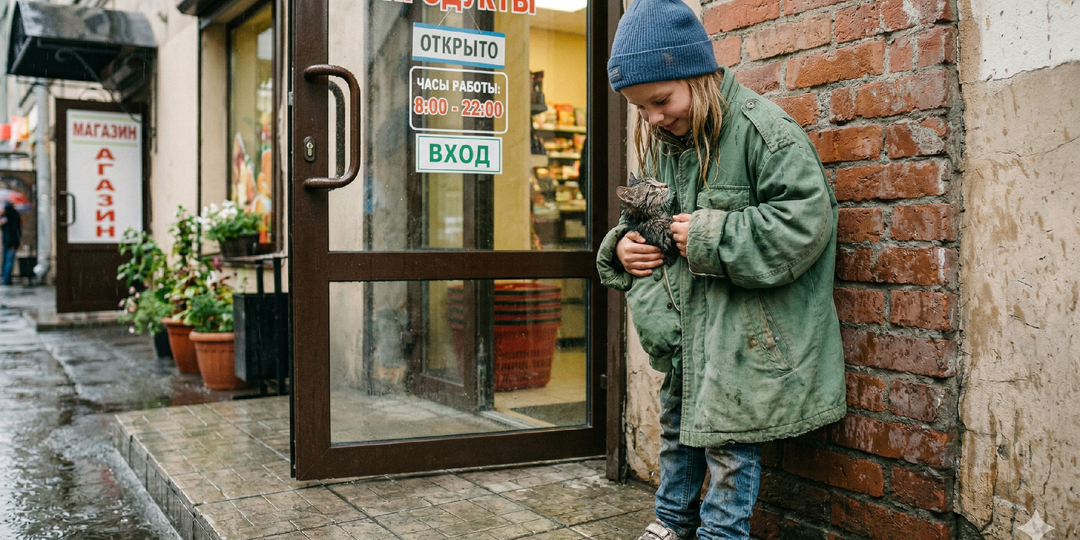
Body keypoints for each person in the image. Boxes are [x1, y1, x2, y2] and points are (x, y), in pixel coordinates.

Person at [595, 0, 846, 538]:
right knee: (677, 429)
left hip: (745, 343)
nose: (654, 119)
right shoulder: (663, 142)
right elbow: (638, 215)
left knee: (729, 448)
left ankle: (720, 534)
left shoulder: (764, 132)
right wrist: (622, 246)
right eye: (641, 109)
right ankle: (669, 522)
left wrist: (710, 236)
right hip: (691, 340)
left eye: (660, 101)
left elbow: (804, 224)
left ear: (699, 72)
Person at [1, 201, 21, 285]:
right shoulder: (13, 216)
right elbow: (16, 231)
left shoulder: (6, 217)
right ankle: (6, 279)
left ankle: (5, 278)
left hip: (7, 242)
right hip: (11, 242)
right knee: (8, 261)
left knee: (6, 261)